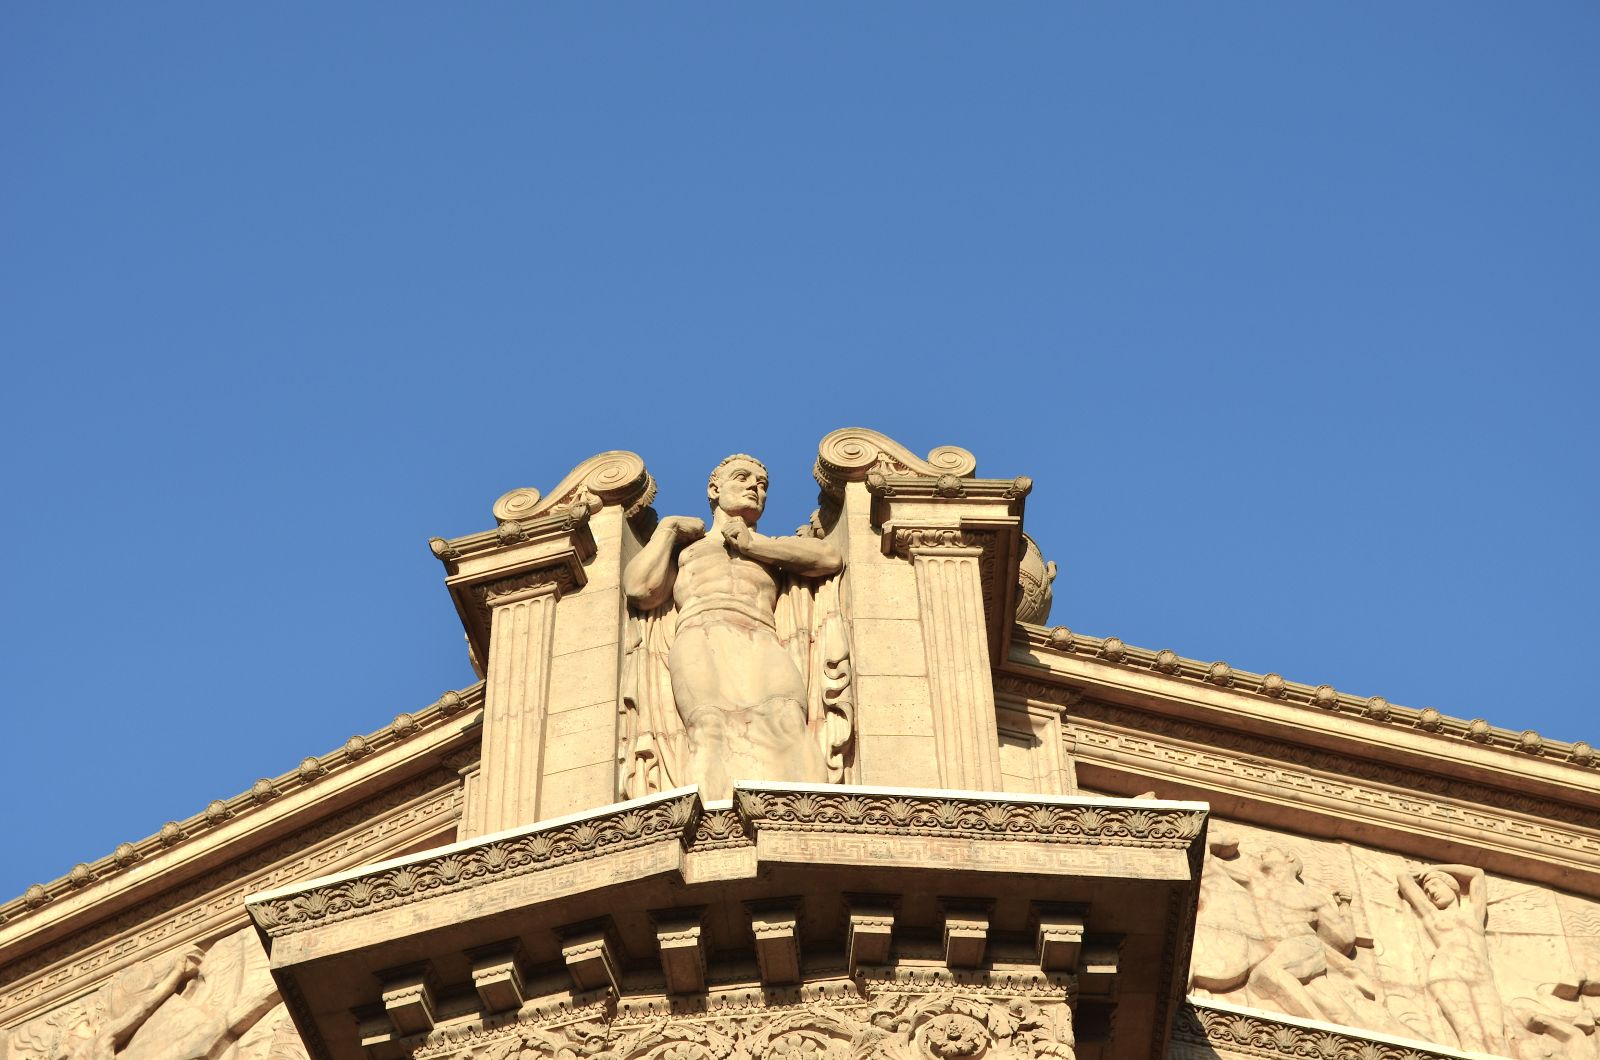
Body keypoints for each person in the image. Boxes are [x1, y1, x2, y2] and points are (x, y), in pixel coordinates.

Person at [622, 454, 844, 801]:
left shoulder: (774, 550)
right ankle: (712, 818)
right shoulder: (686, 551)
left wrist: (755, 545)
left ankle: (806, 810)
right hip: (701, 634)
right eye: (742, 477)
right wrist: (666, 531)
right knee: (709, 726)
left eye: (762, 484)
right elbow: (640, 589)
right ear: (715, 488)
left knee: (788, 719)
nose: (755, 487)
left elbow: (830, 558)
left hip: (761, 636)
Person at [1398, 864, 1509, 1056]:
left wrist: (1435, 868)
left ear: (1452, 887)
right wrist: (1419, 876)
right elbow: (1403, 877)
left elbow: (1477, 874)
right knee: (1469, 1035)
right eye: (1427, 890)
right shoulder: (1432, 915)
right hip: (1446, 972)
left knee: (1496, 1037)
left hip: (1481, 975)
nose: (1431, 892)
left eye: (1435, 885)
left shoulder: (1473, 914)